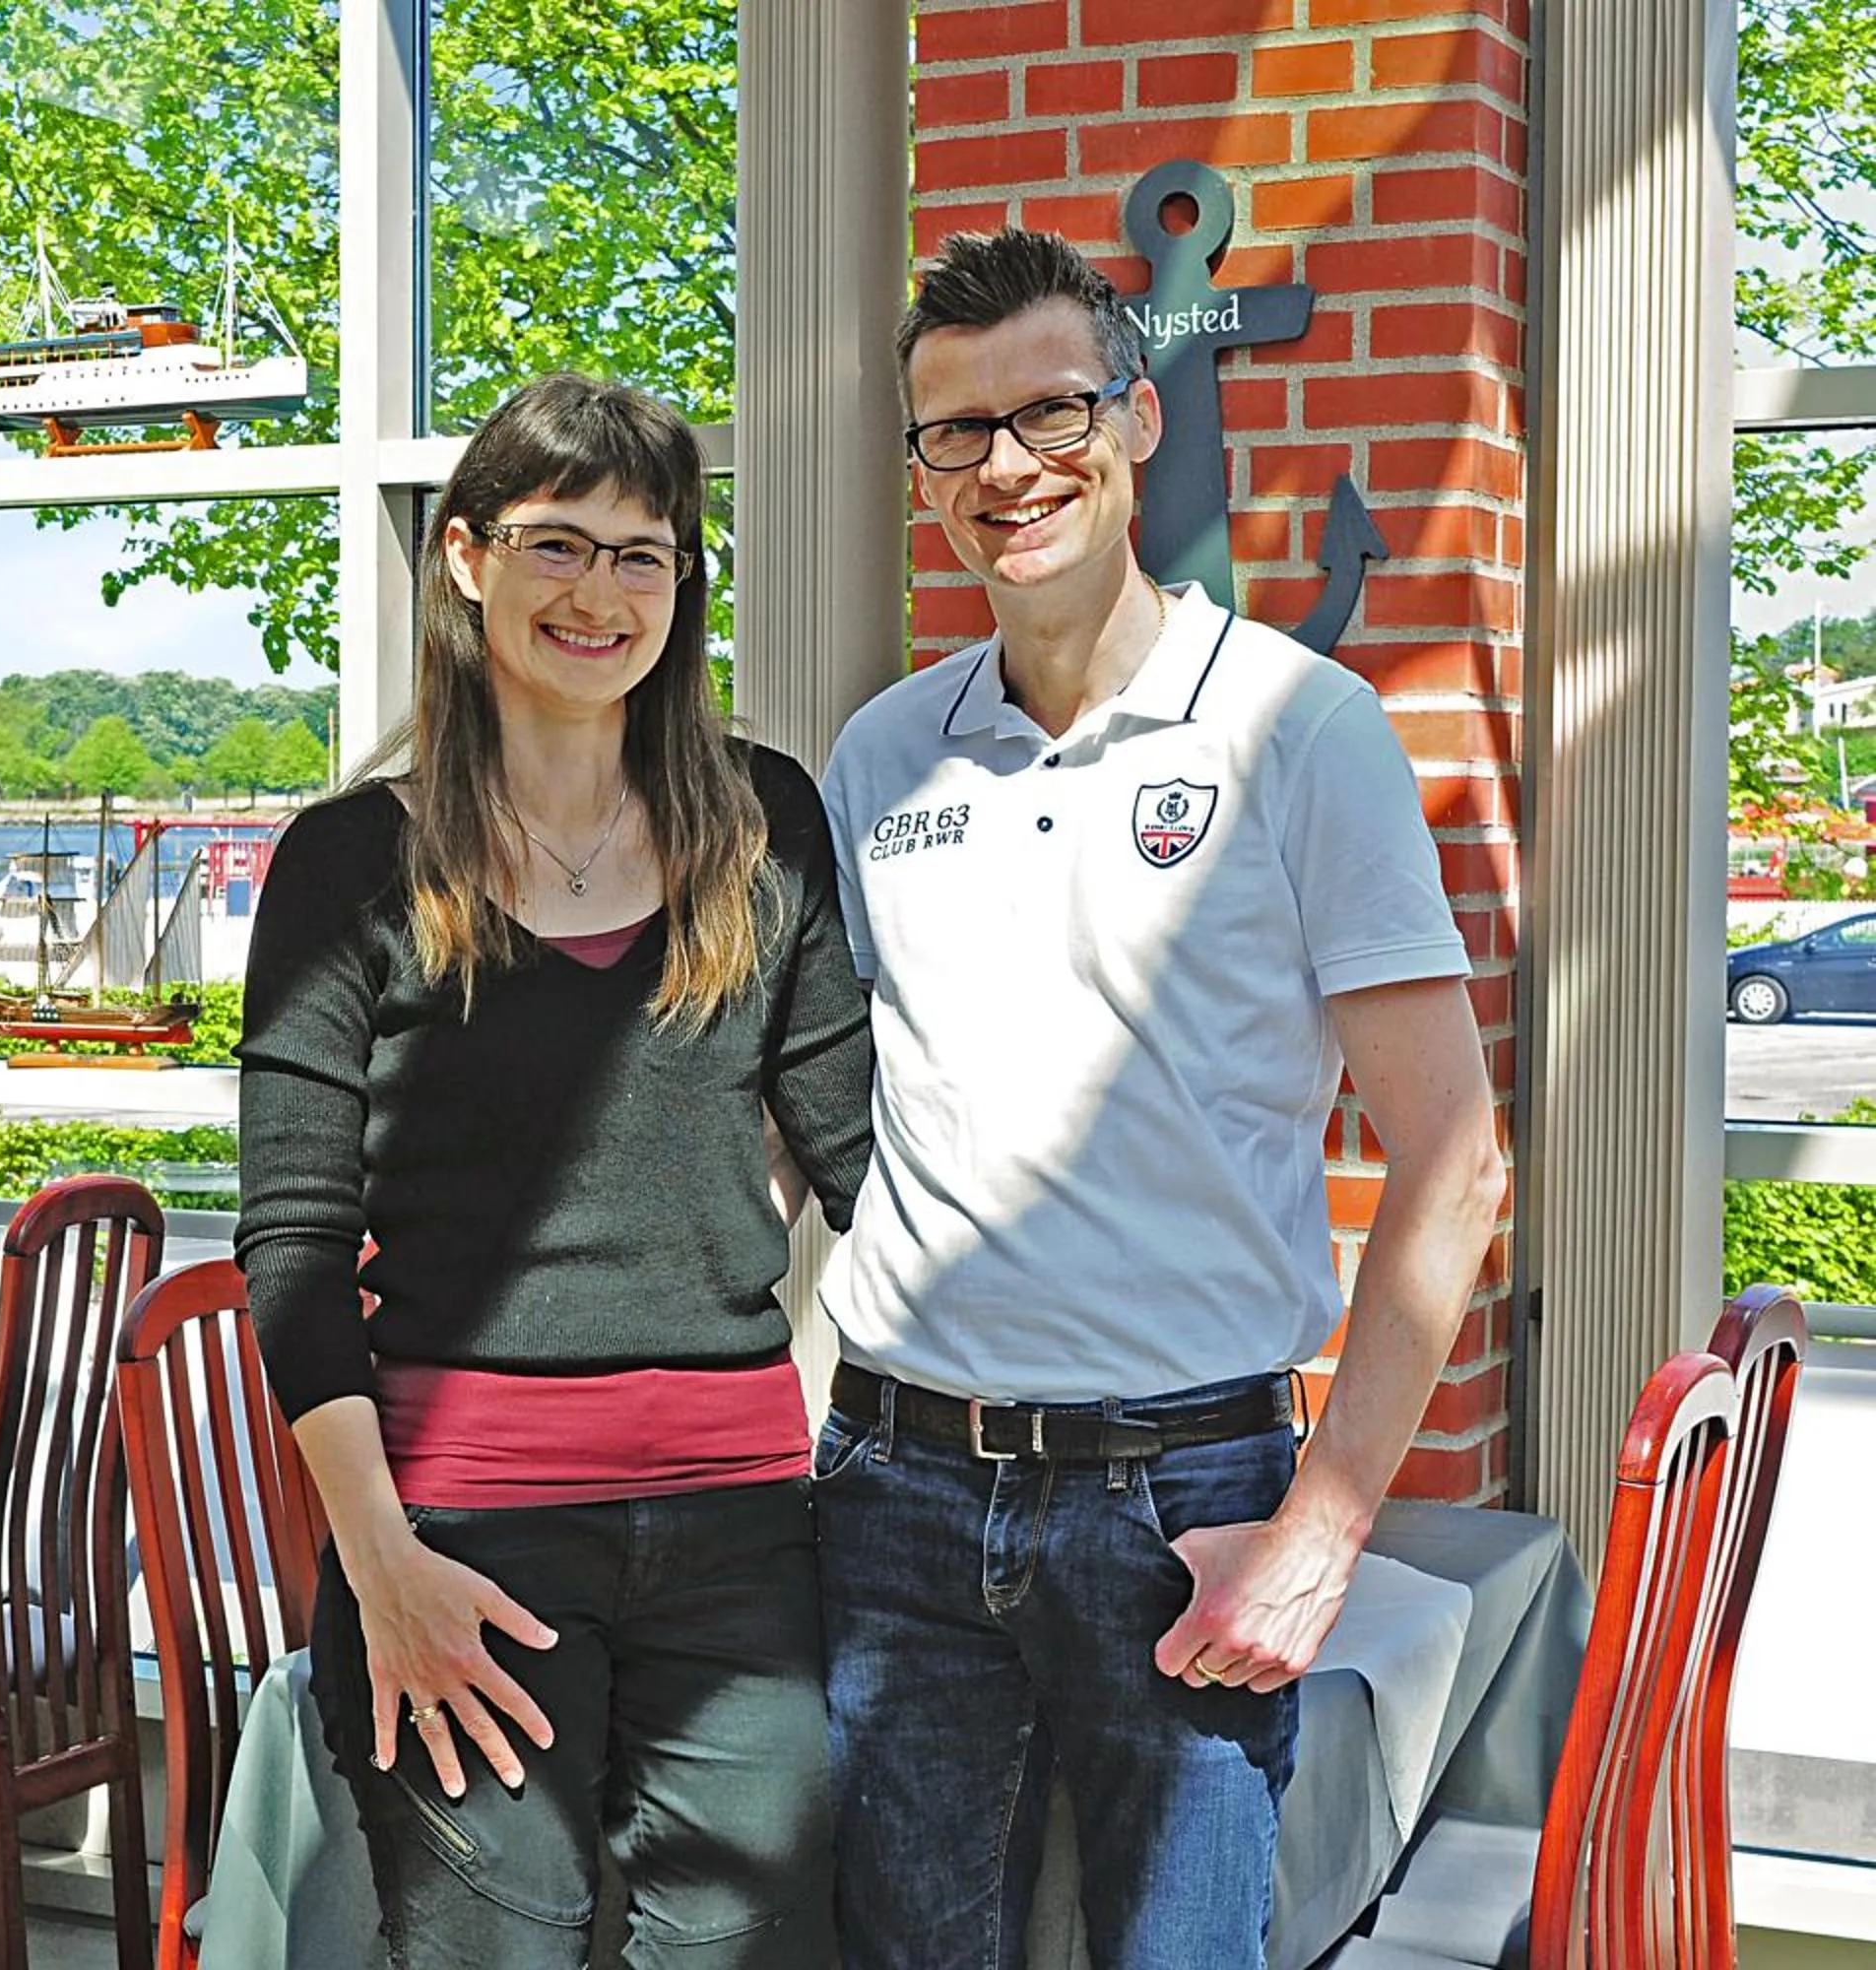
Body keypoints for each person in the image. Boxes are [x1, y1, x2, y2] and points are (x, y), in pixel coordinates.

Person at [814, 228, 1508, 1968]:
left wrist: (1326, 1525)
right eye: (951, 435)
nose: (1001, 468)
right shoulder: (879, 754)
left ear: (1135, 426)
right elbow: (808, 1109)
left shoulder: (1302, 727)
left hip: (1185, 1492)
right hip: (891, 1487)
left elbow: (1455, 1156)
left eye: (1044, 412)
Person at [234, 371, 874, 1967]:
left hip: (739, 1530)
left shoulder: (764, 825)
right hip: (461, 1534)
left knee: (754, 1946)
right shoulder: (350, 865)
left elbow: (866, 1155)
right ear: (465, 559)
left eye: (644, 555)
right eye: (557, 545)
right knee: (497, 1947)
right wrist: (380, 1571)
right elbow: (296, 1245)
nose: (601, 594)